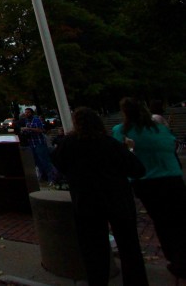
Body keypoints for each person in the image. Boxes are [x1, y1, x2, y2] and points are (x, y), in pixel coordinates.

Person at [52, 107, 149, 285]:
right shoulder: (110, 143)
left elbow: (58, 163)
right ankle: (136, 280)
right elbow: (137, 169)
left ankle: (97, 280)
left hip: (86, 200)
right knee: (128, 244)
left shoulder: (69, 144)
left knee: (93, 247)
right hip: (117, 198)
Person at [112, 97, 186, 279]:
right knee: (180, 219)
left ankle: (178, 261)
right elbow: (171, 146)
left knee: (163, 222)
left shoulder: (122, 130)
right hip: (173, 178)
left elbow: (120, 156)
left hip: (147, 181)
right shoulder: (160, 128)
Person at [21, 108, 55, 183]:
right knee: (37, 161)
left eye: (28, 112)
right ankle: (43, 176)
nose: (27, 114)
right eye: (26, 112)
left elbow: (41, 130)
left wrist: (29, 128)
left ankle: (52, 177)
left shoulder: (37, 120)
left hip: (39, 143)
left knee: (44, 160)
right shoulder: (26, 121)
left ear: (31, 113)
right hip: (31, 143)